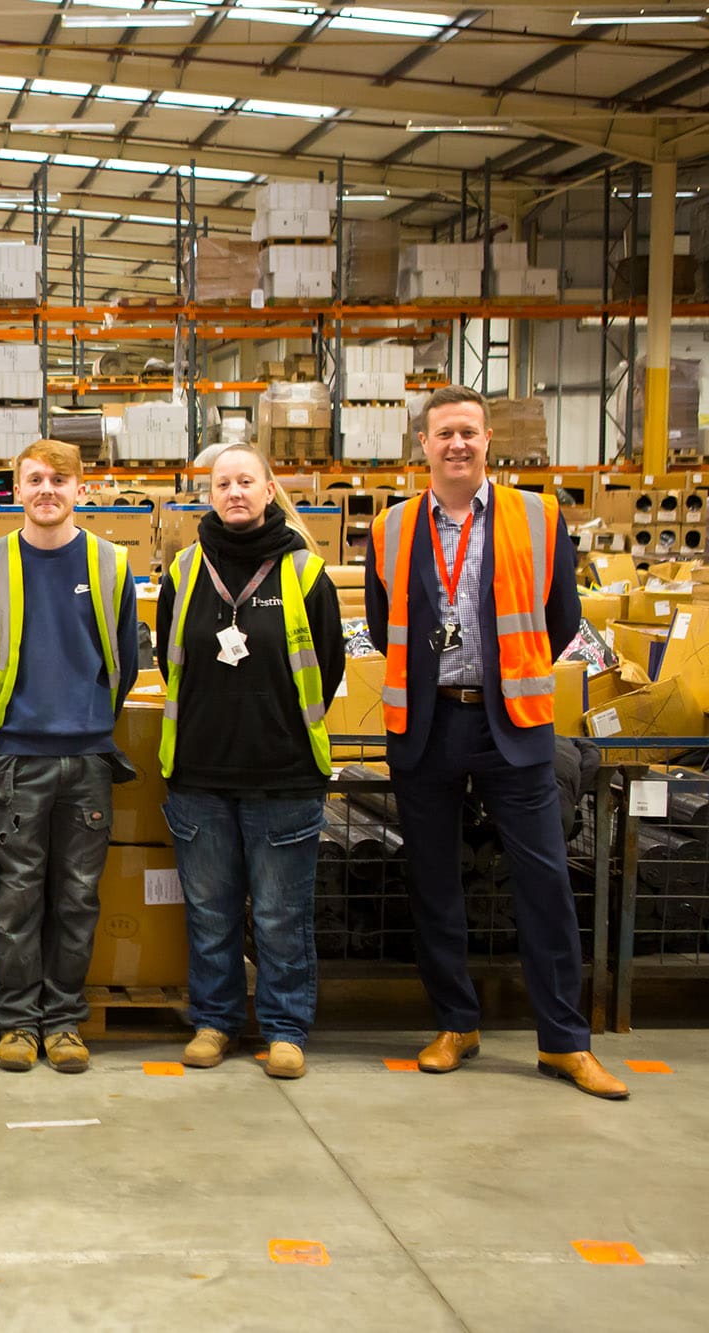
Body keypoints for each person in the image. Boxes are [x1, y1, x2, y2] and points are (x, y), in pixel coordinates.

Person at [367, 384, 627, 1100]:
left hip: (513, 720)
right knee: (435, 881)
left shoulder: (538, 516)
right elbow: (386, 621)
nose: (457, 443)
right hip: (427, 723)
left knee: (544, 881)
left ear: (487, 441)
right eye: (444, 432)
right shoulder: (391, 528)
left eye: (468, 432)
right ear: (424, 444)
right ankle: (457, 1024)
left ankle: (565, 1042)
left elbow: (563, 615)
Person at [155, 443, 344, 1080]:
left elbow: (327, 667)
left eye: (245, 482)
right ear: (209, 496)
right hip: (200, 775)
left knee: (280, 918)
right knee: (210, 915)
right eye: (222, 484)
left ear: (268, 491)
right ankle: (215, 1022)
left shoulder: (305, 573)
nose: (234, 493)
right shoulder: (185, 570)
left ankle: (285, 1030)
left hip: (283, 775)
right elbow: (170, 661)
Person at [0, 439, 138, 1075]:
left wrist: (84, 717)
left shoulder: (111, 564)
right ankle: (16, 1023)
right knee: (16, 899)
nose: (46, 491)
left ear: (79, 490)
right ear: (16, 489)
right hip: (16, 758)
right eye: (34, 479)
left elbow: (124, 662)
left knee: (78, 898)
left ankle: (62, 1022)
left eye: (59, 481)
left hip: (88, 758)